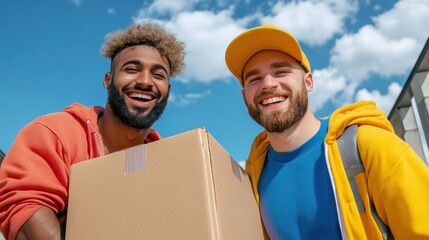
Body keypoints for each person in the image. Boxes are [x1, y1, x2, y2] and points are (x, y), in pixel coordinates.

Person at [225, 24, 429, 239]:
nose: (267, 84)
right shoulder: (253, 178)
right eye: (254, 79)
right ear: (245, 96)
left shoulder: (368, 145)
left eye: (281, 71)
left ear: (308, 82)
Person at [0, 22, 185, 240]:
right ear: (108, 80)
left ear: (168, 90)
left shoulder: (170, 165)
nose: (145, 81)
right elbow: (23, 204)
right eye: (132, 69)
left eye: (158, 75)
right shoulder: (54, 133)